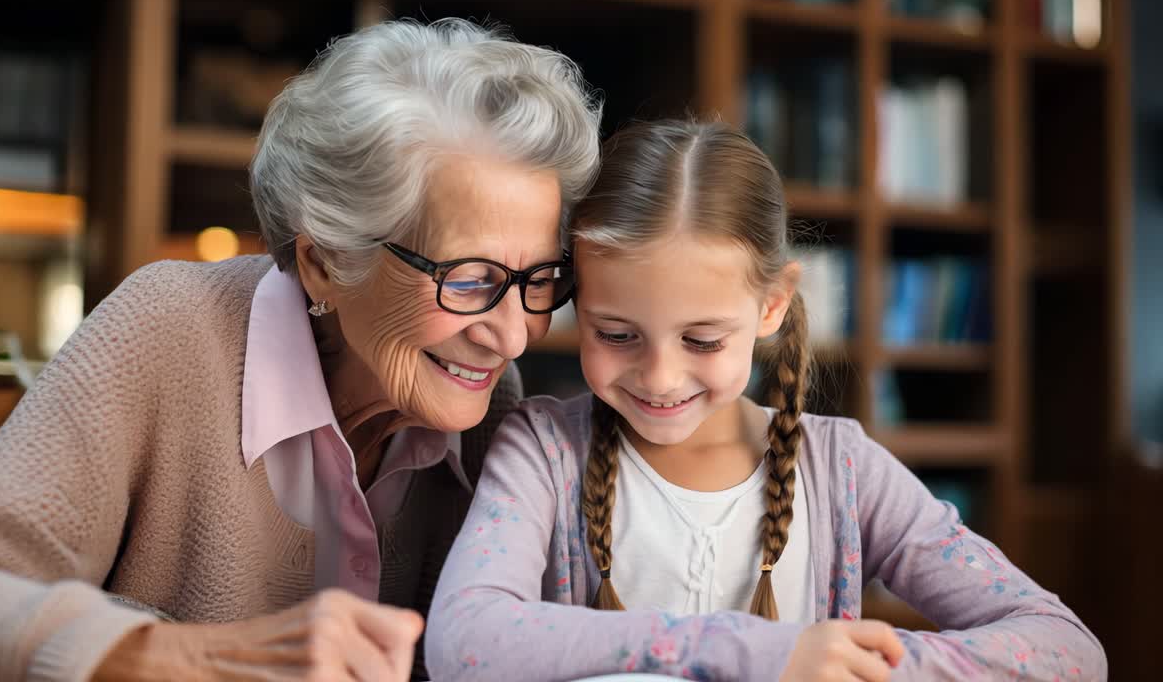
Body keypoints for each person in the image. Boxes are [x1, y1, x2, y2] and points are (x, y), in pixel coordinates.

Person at [0, 18, 601, 682]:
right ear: (325, 264)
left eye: (538, 279)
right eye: (469, 279)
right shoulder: (170, 331)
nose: (510, 335)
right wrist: (188, 659)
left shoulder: (487, 406)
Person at [425, 119, 1106, 681]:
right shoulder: (542, 449)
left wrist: (857, 667)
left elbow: (1069, 651)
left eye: (702, 339)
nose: (659, 377)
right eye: (616, 333)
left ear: (772, 304)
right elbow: (466, 642)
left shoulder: (842, 469)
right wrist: (744, 650)